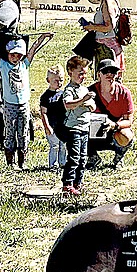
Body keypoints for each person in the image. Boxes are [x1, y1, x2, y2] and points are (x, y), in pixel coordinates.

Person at [0, 32, 53, 169]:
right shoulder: (3, 65)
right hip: (9, 105)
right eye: (12, 55)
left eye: (18, 55)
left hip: (24, 105)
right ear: (7, 53)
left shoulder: (25, 64)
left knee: (23, 133)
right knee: (9, 133)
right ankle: (10, 162)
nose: (15, 58)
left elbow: (33, 48)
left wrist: (43, 37)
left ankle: (22, 162)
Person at [86, 59, 135, 170]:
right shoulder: (89, 92)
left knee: (126, 135)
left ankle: (118, 158)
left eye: (113, 71)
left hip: (114, 130)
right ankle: (92, 157)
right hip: (92, 132)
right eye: (105, 71)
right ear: (99, 74)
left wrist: (114, 125)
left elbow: (129, 121)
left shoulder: (124, 92)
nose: (109, 74)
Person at [61, 55, 96, 195]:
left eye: (85, 74)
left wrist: (89, 103)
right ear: (70, 72)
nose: (83, 77)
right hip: (73, 129)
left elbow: (93, 106)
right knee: (74, 157)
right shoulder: (70, 89)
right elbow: (68, 104)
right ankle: (67, 184)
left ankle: (78, 183)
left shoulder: (84, 89)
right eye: (80, 74)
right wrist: (82, 101)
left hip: (84, 128)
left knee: (83, 158)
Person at [81, 0, 124, 76]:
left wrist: (91, 27)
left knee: (106, 77)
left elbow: (109, 26)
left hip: (106, 47)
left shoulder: (107, 1)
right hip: (109, 44)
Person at [39, 64, 67, 171]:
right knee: (54, 145)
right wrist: (47, 126)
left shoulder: (63, 94)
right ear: (48, 80)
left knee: (63, 145)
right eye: (55, 81)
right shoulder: (45, 97)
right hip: (52, 126)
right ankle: (53, 164)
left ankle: (63, 163)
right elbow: (43, 113)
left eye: (61, 80)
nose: (59, 83)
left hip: (62, 126)